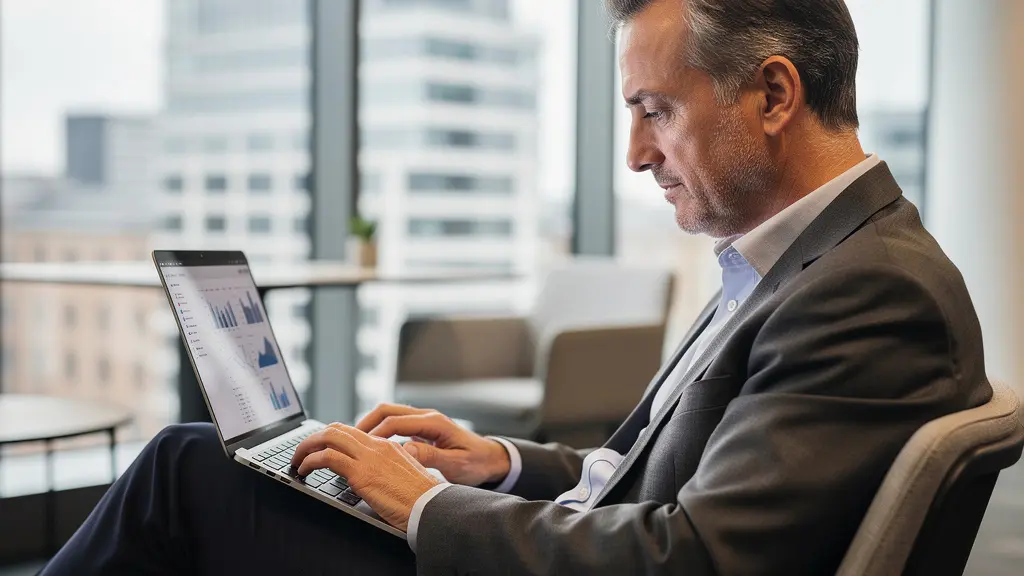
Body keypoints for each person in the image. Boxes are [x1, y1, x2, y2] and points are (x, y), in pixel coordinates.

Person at [42, 0, 991, 574]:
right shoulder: (803, 259)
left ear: (775, 96)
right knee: (216, 467)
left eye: (655, 111)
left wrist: (421, 508)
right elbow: (650, 485)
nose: (633, 155)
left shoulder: (872, 294)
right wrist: (491, 465)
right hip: (549, 547)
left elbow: (696, 560)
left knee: (186, 471)